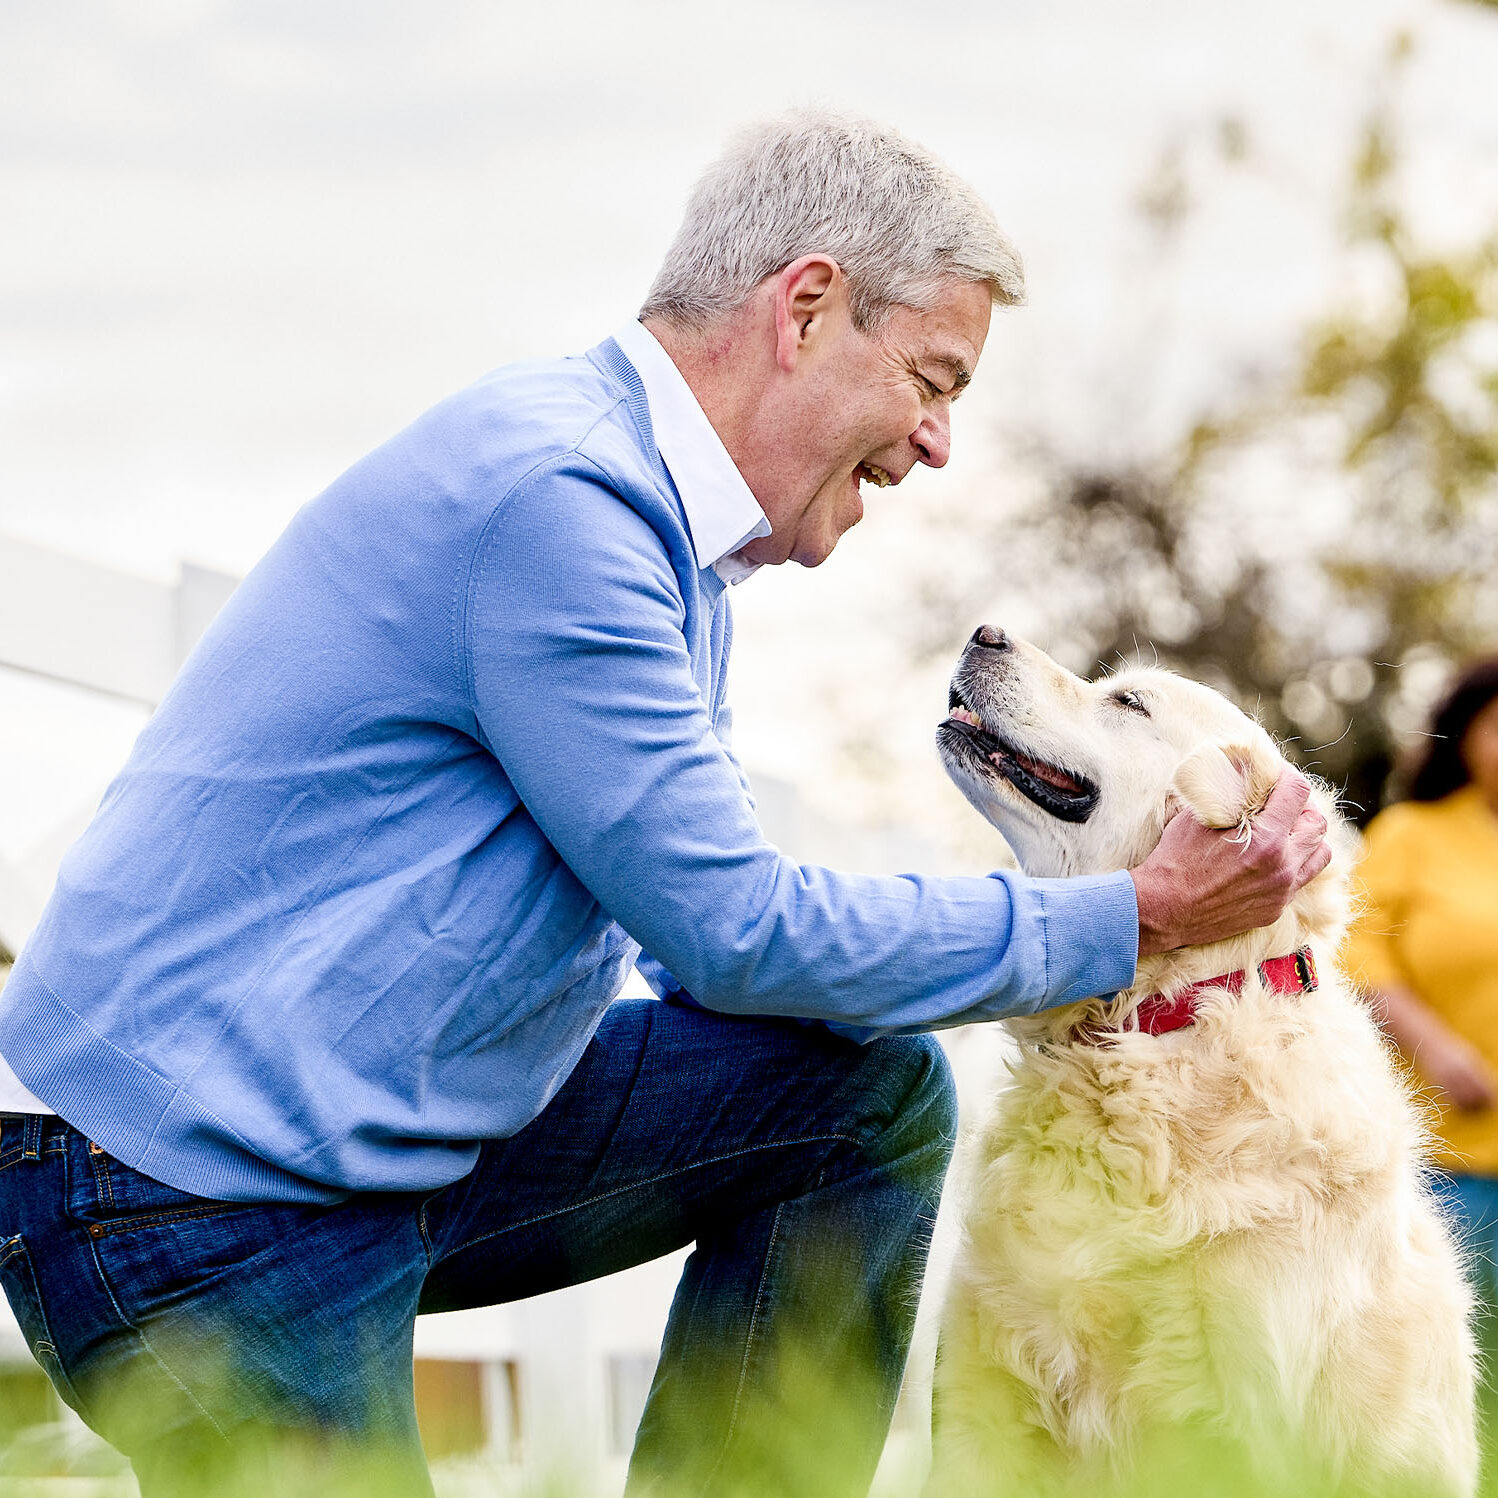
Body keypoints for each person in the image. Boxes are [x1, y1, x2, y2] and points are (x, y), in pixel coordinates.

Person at [0, 112, 1330, 1498]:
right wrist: (1131, 916)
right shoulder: (562, 502)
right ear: (806, 307)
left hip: (373, 1134)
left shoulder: (667, 544)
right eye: (933, 379)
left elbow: (695, 929)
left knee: (855, 1100)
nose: (938, 444)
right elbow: (732, 927)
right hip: (172, 1183)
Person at [1345, 659, 1498, 1426]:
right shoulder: (1412, 834)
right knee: (1444, 1389)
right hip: (1450, 1163)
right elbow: (1357, 950)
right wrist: (1434, 1046)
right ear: (1466, 733)